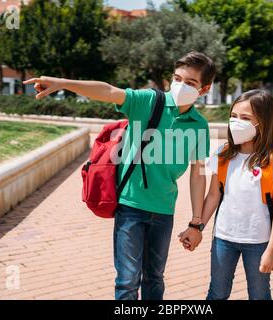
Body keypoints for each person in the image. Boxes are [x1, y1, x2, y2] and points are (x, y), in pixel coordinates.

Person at [23, 51, 216, 300]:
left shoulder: (198, 124)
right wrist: (63, 83)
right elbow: (109, 91)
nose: (180, 86)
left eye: (190, 83)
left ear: (204, 89)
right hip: (131, 207)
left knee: (154, 278)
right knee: (127, 280)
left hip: (164, 211)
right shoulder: (149, 101)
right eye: (177, 78)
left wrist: (196, 223)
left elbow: (198, 174)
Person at [179, 89, 273, 300]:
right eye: (234, 116)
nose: (236, 122)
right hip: (223, 238)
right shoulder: (223, 154)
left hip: (259, 242)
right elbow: (213, 196)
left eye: (245, 118)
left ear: (262, 122)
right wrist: (197, 226)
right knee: (217, 293)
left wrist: (272, 249)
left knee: (259, 295)